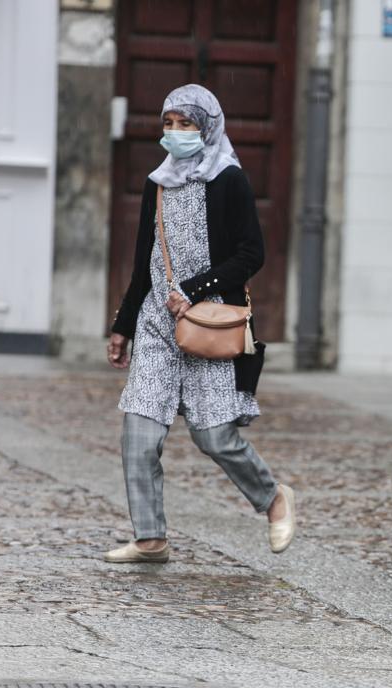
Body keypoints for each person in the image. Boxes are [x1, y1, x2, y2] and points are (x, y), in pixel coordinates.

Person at [104, 84, 296, 563]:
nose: (175, 133)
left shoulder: (229, 180)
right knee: (139, 433)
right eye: (168, 124)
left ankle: (273, 498)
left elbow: (252, 253)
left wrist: (193, 289)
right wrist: (123, 325)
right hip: (157, 328)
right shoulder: (159, 180)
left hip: (209, 326)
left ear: (207, 127)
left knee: (214, 437)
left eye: (186, 124)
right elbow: (143, 261)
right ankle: (150, 538)